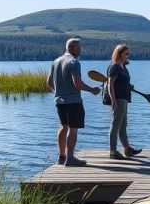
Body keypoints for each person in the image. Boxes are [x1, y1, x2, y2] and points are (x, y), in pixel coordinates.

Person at [48, 38, 101, 167]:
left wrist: (60, 91)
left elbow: (49, 82)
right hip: (73, 101)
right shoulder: (74, 62)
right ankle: (70, 158)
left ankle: (62, 156)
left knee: (64, 126)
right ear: (72, 48)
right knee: (73, 129)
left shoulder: (56, 61)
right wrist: (92, 90)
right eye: (79, 48)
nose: (80, 50)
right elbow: (77, 83)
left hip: (59, 100)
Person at [107, 43, 142, 159]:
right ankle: (113, 151)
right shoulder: (115, 66)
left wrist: (129, 86)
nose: (128, 55)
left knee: (123, 125)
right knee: (116, 125)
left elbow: (121, 82)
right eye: (126, 53)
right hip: (118, 99)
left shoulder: (123, 66)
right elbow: (110, 84)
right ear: (119, 54)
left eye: (128, 53)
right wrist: (113, 100)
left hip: (125, 98)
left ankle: (127, 149)